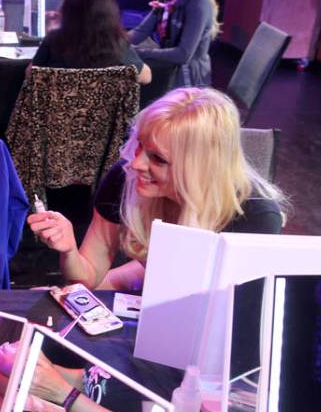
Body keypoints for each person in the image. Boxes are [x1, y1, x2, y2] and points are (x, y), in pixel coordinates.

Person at [28, 87, 286, 291]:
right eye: (139, 145)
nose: (137, 163)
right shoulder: (125, 177)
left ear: (200, 167)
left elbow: (232, 319)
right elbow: (87, 279)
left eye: (158, 159)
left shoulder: (255, 217)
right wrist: (70, 251)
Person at [30, 0, 152, 84]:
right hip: (105, 113)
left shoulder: (53, 39)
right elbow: (146, 77)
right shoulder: (116, 42)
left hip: (58, 112)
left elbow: (31, 74)